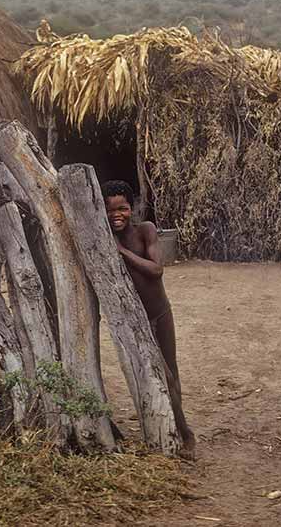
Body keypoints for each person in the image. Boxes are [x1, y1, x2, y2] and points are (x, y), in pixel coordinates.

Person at [101, 179, 195, 456]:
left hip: (160, 314)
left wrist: (123, 253)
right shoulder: (103, 239)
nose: (117, 214)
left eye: (123, 208)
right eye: (110, 210)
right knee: (151, 375)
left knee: (170, 372)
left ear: (133, 209)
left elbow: (156, 270)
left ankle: (186, 434)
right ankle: (166, 429)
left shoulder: (145, 231)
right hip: (136, 321)